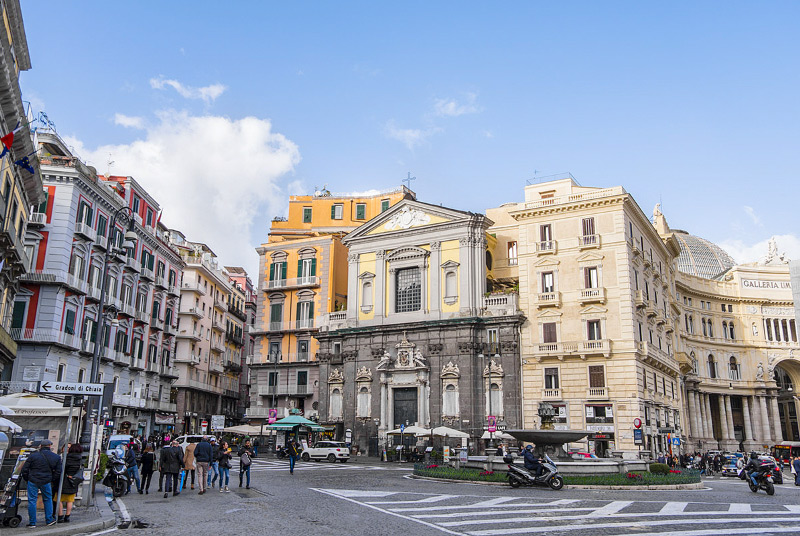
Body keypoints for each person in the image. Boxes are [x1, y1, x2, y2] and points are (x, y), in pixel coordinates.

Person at [21, 439, 61, 528]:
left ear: (40, 446)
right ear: (50, 446)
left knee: (32, 501)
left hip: (33, 480)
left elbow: (24, 469)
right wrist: (51, 479)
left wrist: (27, 479)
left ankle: (32, 522)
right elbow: (58, 471)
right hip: (46, 481)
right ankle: (49, 520)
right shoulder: (56, 457)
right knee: (47, 499)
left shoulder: (33, 456)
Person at [56, 444, 82, 523]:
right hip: (73, 481)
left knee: (59, 498)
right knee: (70, 500)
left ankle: (60, 516)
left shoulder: (67, 458)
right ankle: (67, 516)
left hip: (64, 481)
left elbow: (62, 469)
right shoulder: (79, 459)